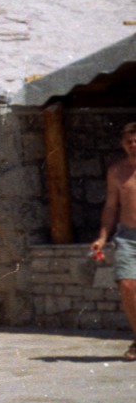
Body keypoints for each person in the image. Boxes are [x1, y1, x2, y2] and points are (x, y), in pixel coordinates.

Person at [89, 121, 136, 358]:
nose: (133, 144)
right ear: (123, 143)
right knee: (127, 285)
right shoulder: (116, 171)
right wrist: (102, 237)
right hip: (128, 236)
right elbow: (110, 206)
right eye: (129, 140)